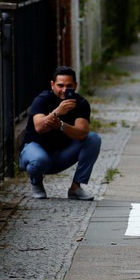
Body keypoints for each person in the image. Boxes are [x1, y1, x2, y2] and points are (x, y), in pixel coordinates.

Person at [19, 66, 101, 200]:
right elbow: (39, 127)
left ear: (75, 85)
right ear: (52, 85)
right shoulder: (42, 99)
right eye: (60, 85)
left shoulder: (80, 103)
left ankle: (76, 187)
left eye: (69, 85)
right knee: (39, 159)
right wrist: (58, 112)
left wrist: (61, 126)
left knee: (93, 139)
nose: (64, 90)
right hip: (35, 151)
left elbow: (82, 133)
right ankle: (36, 182)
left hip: (60, 155)